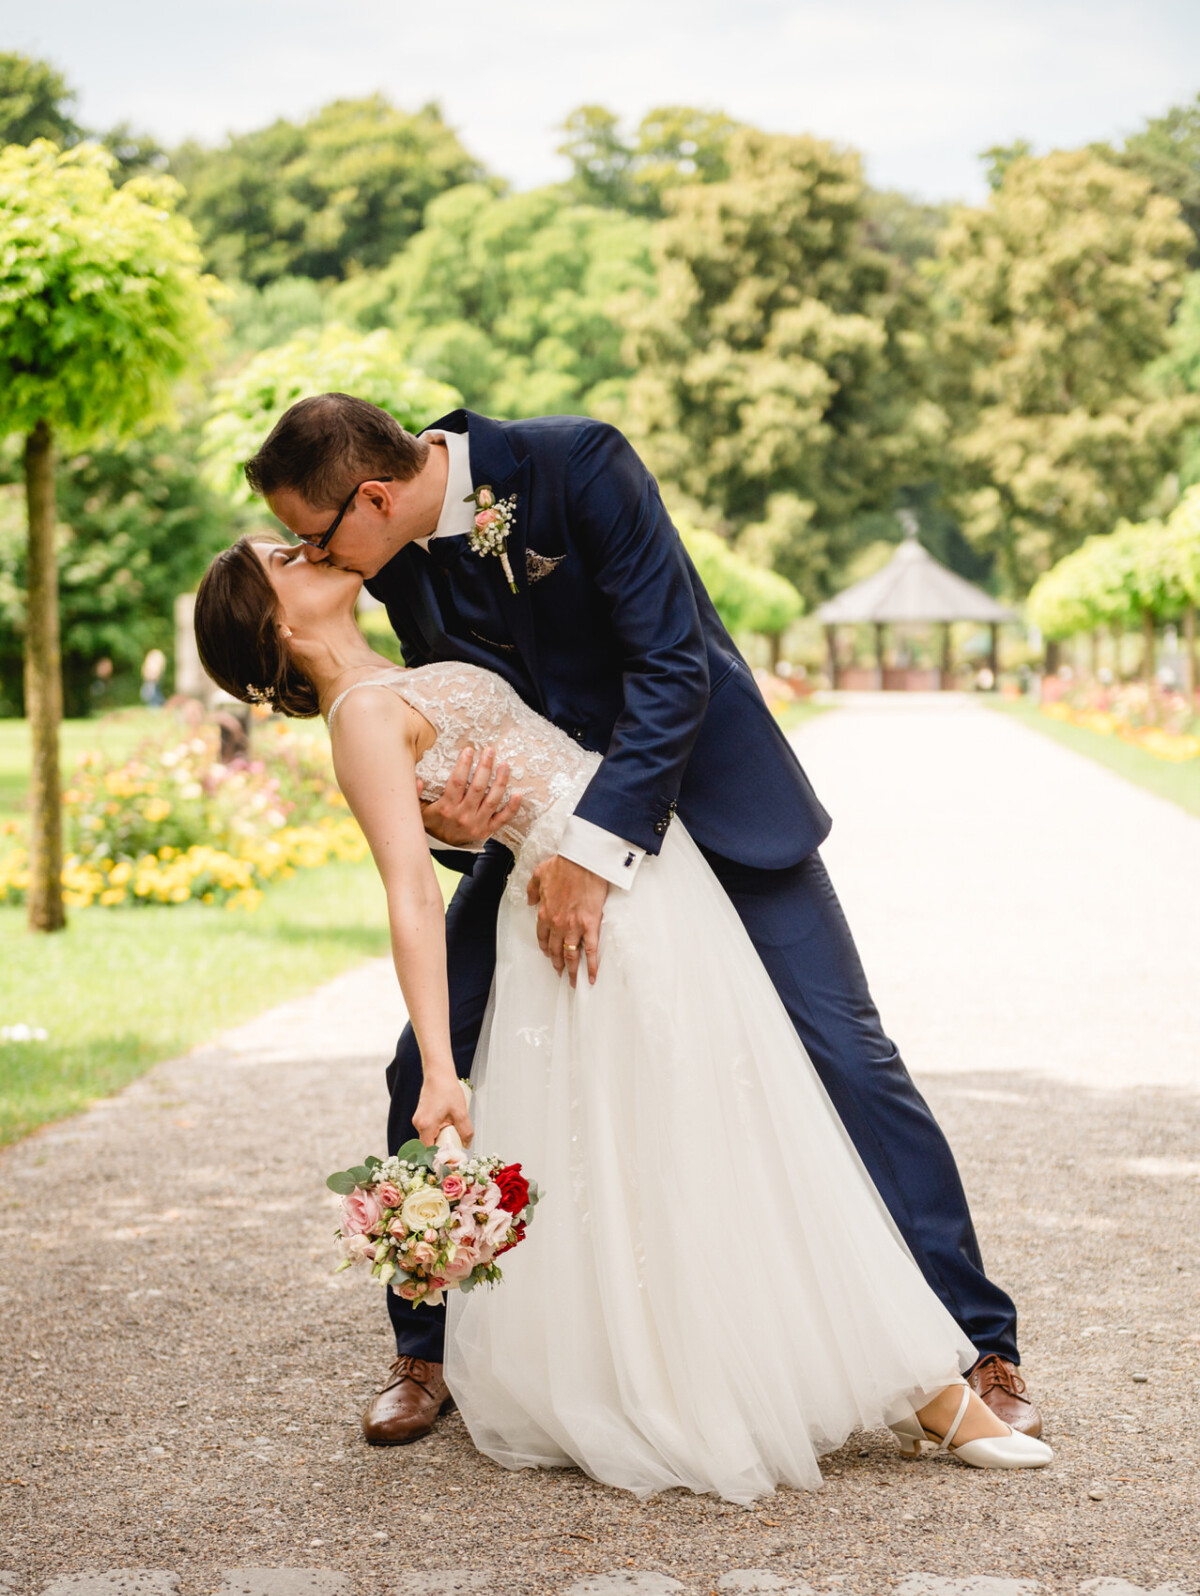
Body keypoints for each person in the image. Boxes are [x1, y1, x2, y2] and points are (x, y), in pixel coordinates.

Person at [219, 395, 1041, 1456]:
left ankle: (978, 1343)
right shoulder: (398, 563)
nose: (316, 558)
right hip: (547, 835)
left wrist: (594, 857)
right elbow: (468, 727)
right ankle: (426, 1345)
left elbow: (672, 666)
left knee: (847, 1053)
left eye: (316, 538)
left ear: (374, 495)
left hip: (708, 806)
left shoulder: (578, 466)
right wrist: (458, 825)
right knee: (422, 1064)